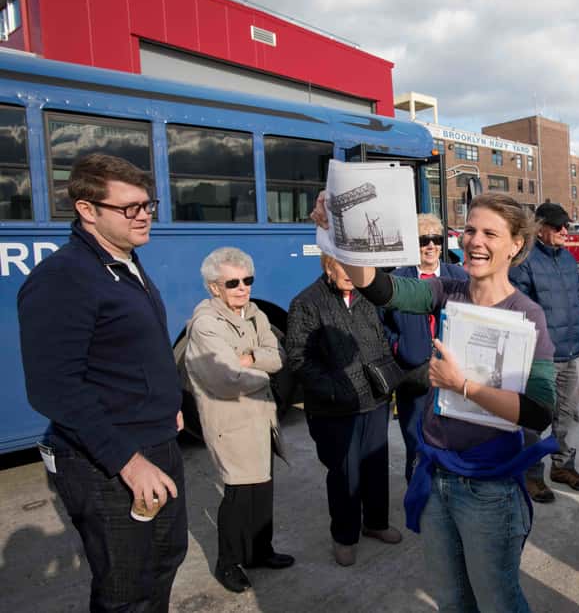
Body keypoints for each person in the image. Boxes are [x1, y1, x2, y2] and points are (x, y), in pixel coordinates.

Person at [312, 191, 557, 612]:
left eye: (490, 234)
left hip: (489, 485)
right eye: (470, 230)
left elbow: (540, 410)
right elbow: (380, 287)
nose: (475, 241)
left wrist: (464, 386)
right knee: (451, 599)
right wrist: (334, 235)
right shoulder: (446, 291)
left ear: (516, 244)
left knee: (497, 600)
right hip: (436, 476)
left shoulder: (527, 314)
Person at [17, 153, 187, 610]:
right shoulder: (64, 277)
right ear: (87, 210)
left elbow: (130, 352)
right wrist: (128, 463)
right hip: (110, 462)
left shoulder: (124, 262)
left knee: (167, 558)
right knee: (126, 587)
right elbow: (54, 388)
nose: (144, 216)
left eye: (148, 204)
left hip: (157, 441)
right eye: (130, 208)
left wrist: (167, 399)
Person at [180, 247, 293, 593]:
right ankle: (227, 563)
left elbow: (279, 355)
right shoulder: (205, 324)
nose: (242, 288)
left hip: (261, 417)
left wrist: (249, 358)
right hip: (231, 422)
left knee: (262, 490)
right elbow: (225, 378)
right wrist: (262, 372)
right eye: (233, 282)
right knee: (239, 496)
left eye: (248, 280)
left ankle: (261, 550)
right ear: (215, 287)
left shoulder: (255, 313)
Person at [286, 253, 402, 567]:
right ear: (328, 266)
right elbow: (298, 358)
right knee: (344, 474)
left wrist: (388, 377)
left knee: (376, 466)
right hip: (335, 410)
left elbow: (382, 339)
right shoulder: (307, 303)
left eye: (356, 267)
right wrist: (335, 392)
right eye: (344, 267)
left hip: (374, 401)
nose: (352, 274)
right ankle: (345, 536)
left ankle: (375, 523)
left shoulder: (368, 297)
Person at [510, 202, 579, 502]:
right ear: (539, 228)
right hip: (541, 356)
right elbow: (520, 310)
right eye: (557, 226)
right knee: (535, 419)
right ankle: (532, 475)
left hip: (572, 351)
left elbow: (578, 299)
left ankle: (562, 466)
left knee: (567, 415)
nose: (563, 231)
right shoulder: (525, 263)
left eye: (566, 225)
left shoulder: (569, 261)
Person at [384, 213, 467, 483]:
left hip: (453, 377)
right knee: (416, 442)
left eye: (436, 239)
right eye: (423, 240)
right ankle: (419, 500)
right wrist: (398, 346)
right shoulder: (398, 279)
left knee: (452, 442)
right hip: (413, 377)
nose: (430, 246)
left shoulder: (459, 277)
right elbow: (382, 323)